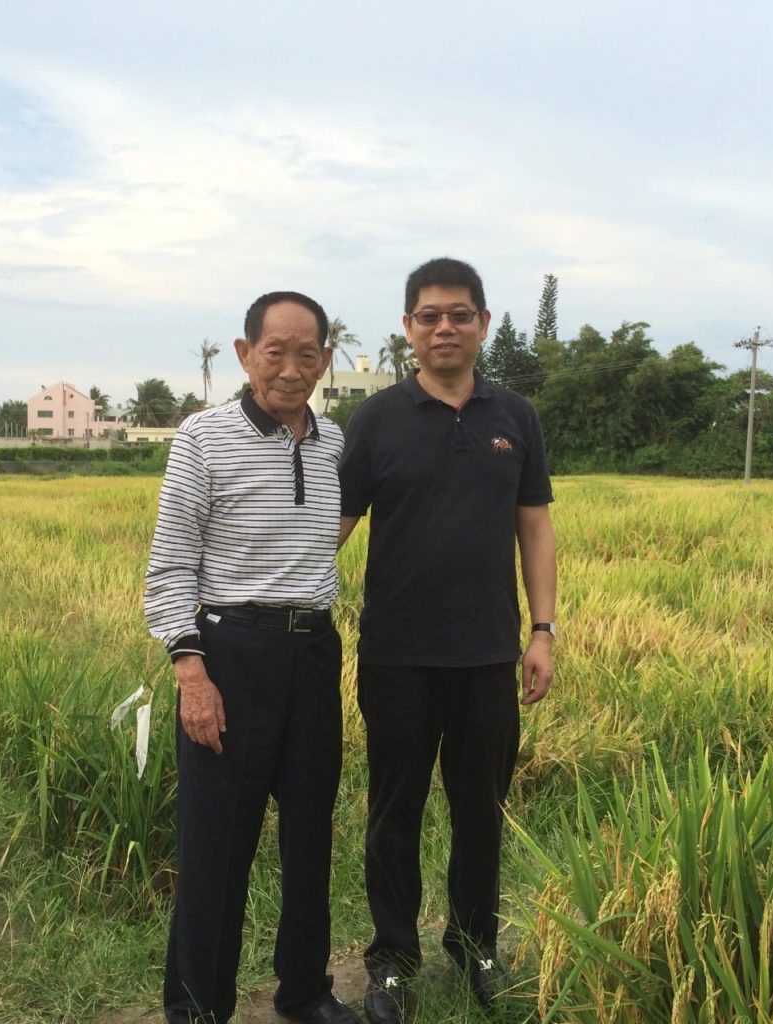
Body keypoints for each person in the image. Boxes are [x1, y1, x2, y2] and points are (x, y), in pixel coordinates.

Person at [338, 258, 557, 1020]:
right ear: (408, 328)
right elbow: (334, 527)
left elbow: (535, 526)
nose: (444, 327)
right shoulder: (375, 421)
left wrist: (543, 629)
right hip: (396, 656)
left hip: (489, 654)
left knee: (481, 812)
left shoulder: (515, 417)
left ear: (483, 324)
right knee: (393, 814)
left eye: (460, 314)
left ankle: (474, 946)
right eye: (429, 315)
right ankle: (393, 960)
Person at [145, 291, 362, 1024]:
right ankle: (197, 1009)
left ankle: (304, 991)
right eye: (276, 353)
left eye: (307, 355)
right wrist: (191, 671)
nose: (291, 370)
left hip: (314, 654)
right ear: (246, 355)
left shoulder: (334, 443)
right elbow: (170, 567)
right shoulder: (202, 438)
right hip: (230, 655)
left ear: (325, 361)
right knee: (216, 844)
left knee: (310, 836)